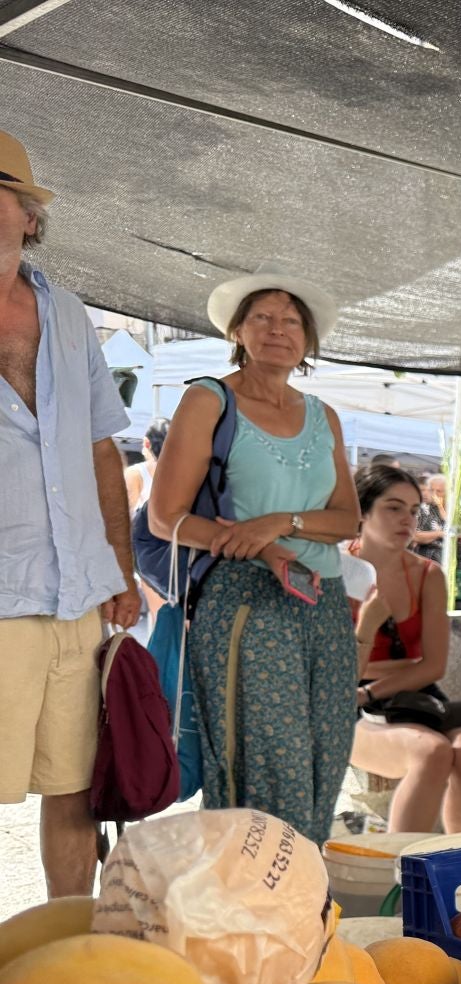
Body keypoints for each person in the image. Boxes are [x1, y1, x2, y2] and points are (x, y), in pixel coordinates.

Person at [149, 267, 360, 844]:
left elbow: (347, 520)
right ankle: (251, 907)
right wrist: (263, 546)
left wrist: (281, 524)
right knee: (270, 768)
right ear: (237, 331)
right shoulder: (209, 399)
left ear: (308, 340)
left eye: (292, 320)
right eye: (262, 317)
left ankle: (302, 907)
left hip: (324, 601)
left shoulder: (324, 416)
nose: (277, 329)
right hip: (245, 601)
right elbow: (165, 517)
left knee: (325, 760)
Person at [0, 132, 141, 897]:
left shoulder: (70, 312)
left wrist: (118, 569)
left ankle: (65, 943)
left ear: (28, 216)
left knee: (77, 786)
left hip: (78, 594)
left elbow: (98, 451)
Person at [344, 464, 461, 833]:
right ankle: (405, 872)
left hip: (407, 696)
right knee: (431, 751)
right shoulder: (335, 570)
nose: (407, 519)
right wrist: (369, 630)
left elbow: (434, 666)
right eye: (393, 507)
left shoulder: (427, 574)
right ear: (363, 511)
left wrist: (371, 686)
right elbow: (332, 671)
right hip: (345, 704)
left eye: (412, 510)